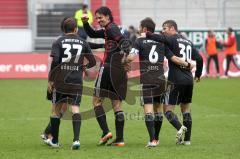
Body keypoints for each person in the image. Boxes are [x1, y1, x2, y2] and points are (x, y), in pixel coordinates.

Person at [124, 18, 193, 147]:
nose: (139, 29)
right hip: (161, 80)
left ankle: (153, 140)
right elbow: (173, 58)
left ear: (144, 29)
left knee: (148, 111)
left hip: (147, 79)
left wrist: (124, 59)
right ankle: (159, 137)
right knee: (158, 110)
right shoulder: (161, 43)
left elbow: (131, 57)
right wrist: (187, 64)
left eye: (140, 27)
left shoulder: (139, 40)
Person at [145, 20, 203, 145]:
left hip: (175, 80)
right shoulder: (188, 42)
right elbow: (199, 58)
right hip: (189, 80)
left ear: (172, 28)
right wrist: (198, 75)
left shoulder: (172, 40)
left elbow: (158, 37)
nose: (163, 31)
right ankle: (187, 140)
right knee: (186, 109)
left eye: (165, 28)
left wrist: (148, 34)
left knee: (167, 110)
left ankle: (180, 128)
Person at [81, 6, 128, 147]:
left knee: (96, 101)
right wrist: (85, 23)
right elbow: (94, 34)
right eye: (97, 18)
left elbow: (125, 43)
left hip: (108, 69)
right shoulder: (110, 29)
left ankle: (106, 131)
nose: (98, 20)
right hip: (119, 71)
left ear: (108, 16)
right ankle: (119, 139)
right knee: (116, 104)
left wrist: (127, 58)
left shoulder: (111, 29)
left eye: (100, 17)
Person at [47, 17, 96, 149]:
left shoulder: (58, 42)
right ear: (76, 29)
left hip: (61, 80)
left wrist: (51, 80)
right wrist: (83, 67)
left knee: (56, 110)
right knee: (75, 108)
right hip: (76, 80)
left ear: (64, 29)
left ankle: (55, 141)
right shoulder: (83, 42)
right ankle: (76, 140)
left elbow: (55, 62)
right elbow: (93, 62)